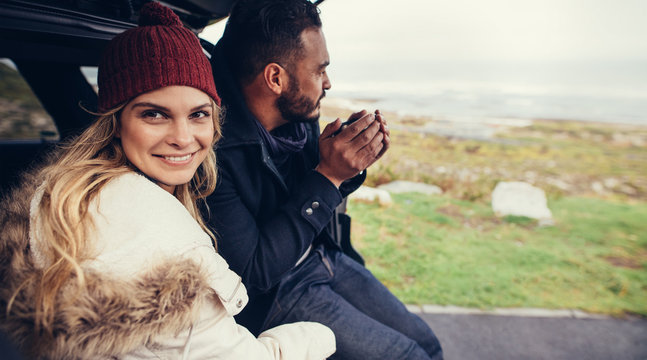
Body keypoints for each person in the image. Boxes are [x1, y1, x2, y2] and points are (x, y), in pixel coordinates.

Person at [0, 2, 335, 359]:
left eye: (198, 114)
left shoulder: (64, 198)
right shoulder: (170, 248)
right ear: (114, 122)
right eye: (155, 114)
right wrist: (320, 337)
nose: (183, 137)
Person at [205, 0, 443, 359]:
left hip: (322, 256)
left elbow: (316, 189)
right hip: (277, 293)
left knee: (427, 345)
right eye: (319, 71)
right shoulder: (212, 153)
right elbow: (254, 270)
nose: (328, 82)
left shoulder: (298, 117)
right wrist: (329, 175)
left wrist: (345, 164)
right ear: (275, 78)